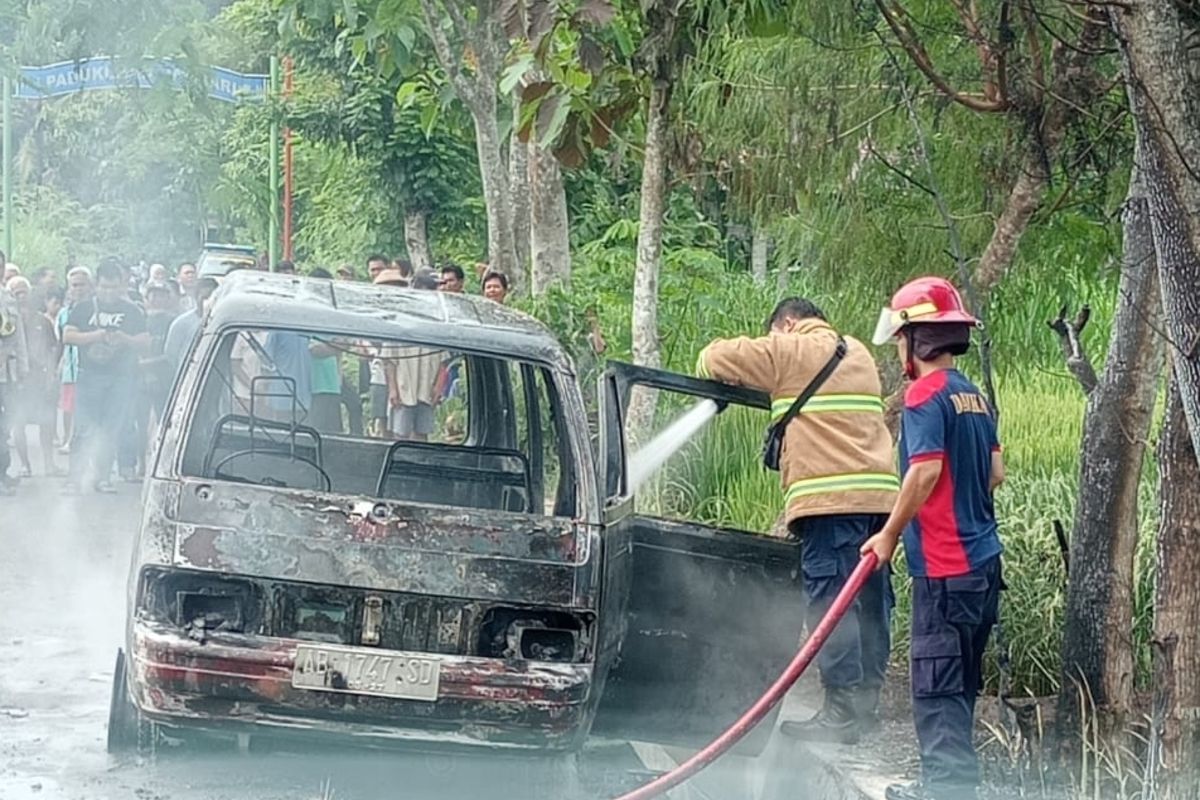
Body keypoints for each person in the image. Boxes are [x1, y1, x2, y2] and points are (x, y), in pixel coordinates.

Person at [696, 297, 899, 744]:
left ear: (788, 323)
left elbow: (714, 357)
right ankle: (864, 706)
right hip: (879, 501)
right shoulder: (858, 352)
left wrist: (740, 360)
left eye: (774, 333)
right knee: (870, 601)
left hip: (831, 501)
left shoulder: (792, 348)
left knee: (831, 602)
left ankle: (841, 711)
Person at [860, 277, 1004, 800]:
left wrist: (889, 535)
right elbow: (995, 473)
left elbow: (923, 472)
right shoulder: (972, 396)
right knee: (959, 687)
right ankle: (954, 788)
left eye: (900, 339)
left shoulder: (923, 395)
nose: (898, 349)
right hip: (983, 567)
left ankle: (945, 791)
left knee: (937, 690)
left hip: (945, 570)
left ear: (917, 339)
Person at [62, 258, 149, 493]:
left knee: (111, 428)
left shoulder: (132, 310)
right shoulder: (83, 308)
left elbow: (145, 341)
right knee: (83, 428)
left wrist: (124, 338)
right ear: (96, 285)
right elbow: (68, 336)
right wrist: (96, 336)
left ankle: (102, 477)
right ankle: (74, 478)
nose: (109, 292)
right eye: (104, 287)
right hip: (89, 376)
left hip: (120, 378)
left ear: (121, 285)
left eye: (113, 287)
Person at [8, 278, 61, 476]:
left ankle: (49, 464)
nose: (21, 296)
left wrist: (51, 373)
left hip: (40, 379)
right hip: (17, 379)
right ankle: (25, 465)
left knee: (46, 421)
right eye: (16, 293)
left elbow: (53, 349)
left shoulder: (42, 321)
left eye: (24, 292)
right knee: (18, 421)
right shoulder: (7, 320)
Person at [57, 267, 92, 454]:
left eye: (82, 285)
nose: (78, 289)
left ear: (90, 286)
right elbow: (59, 342)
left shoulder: (95, 309)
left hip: (89, 368)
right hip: (69, 367)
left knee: (85, 408)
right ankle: (67, 439)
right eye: (74, 285)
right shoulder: (64, 313)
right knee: (68, 406)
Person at [0, 277, 29, 492]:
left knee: (4, 427)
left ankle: (2, 472)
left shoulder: (7, 299)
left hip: (6, 374)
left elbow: (18, 337)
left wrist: (23, 368)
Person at [164, 277, 218, 378]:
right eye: (205, 298)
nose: (208, 302)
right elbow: (171, 354)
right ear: (196, 297)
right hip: (188, 377)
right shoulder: (180, 324)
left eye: (212, 298)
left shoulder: (222, 323)